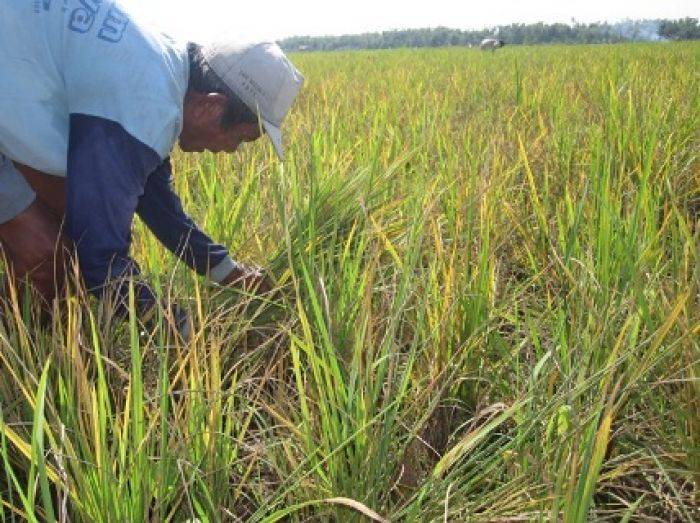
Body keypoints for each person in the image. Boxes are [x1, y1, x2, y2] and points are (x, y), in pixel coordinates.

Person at [0, 1, 304, 327]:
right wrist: (182, 331)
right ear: (211, 107)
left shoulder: (161, 69)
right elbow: (101, 260)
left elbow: (155, 202)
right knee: (46, 257)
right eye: (241, 138)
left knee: (69, 234)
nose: (231, 151)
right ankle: (19, 357)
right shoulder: (145, 105)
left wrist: (229, 272)